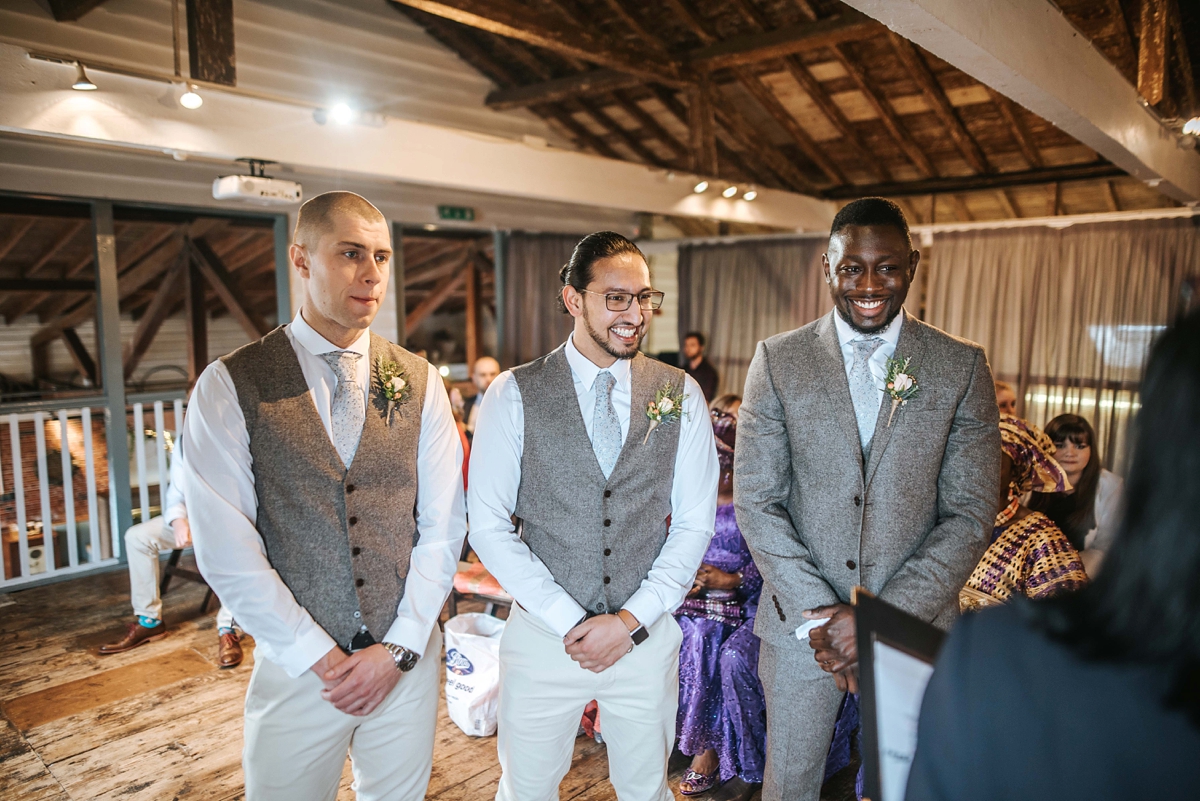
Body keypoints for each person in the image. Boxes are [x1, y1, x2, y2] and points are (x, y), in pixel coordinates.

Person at [183, 191, 466, 801]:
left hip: (405, 659)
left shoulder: (420, 381)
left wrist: (401, 644)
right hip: (298, 669)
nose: (371, 274)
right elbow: (225, 546)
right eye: (350, 253)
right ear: (302, 259)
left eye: (383, 257)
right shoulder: (231, 384)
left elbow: (443, 525)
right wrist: (316, 653)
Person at [735, 197, 1000, 801]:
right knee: (791, 786)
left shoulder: (960, 366)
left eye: (887, 267)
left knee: (912, 786)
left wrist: (877, 619)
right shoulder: (778, 360)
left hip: (917, 626)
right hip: (803, 632)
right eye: (852, 267)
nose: (869, 284)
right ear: (827, 265)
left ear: (912, 265)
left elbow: (969, 513)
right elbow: (757, 500)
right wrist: (829, 617)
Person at [906, 309, 1200, 801]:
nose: (969, 471)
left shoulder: (1038, 541)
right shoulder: (940, 527)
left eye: (987, 462)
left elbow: (1068, 628)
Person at [468, 231, 718, 801]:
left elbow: (693, 522)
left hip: (646, 639)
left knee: (646, 789)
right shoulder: (512, 394)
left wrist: (631, 620)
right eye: (616, 298)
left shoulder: (679, 394)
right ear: (573, 299)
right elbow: (487, 523)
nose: (635, 315)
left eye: (643, 298)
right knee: (525, 790)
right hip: (540, 638)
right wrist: (567, 619)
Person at [675, 405, 765, 799]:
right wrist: (689, 575)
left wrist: (733, 579)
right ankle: (677, 739)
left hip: (741, 601)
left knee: (703, 636)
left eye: (721, 460)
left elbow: (767, 558)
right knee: (672, 631)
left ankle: (708, 751)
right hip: (696, 595)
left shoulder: (753, 501)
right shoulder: (695, 494)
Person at [99, 440, 242, 668]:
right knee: (138, 537)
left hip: (233, 521)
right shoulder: (187, 440)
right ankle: (149, 621)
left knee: (243, 549)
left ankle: (228, 628)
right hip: (195, 519)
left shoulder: (237, 434)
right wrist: (177, 520)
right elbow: (177, 490)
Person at [959, 416, 1088, 611]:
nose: (980, 470)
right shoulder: (950, 521)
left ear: (1015, 472)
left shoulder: (1042, 538)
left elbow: (1063, 617)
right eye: (974, 459)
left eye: (994, 462)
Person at [1029, 414, 1124, 576]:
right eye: (1060, 445)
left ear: (1091, 449)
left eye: (1080, 446)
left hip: (1084, 577)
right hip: (1031, 575)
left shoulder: (1110, 485)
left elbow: (1106, 546)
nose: (1070, 453)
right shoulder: (1030, 481)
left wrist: (1066, 575)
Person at [462, 356, 501, 440]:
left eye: (493, 374)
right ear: (474, 378)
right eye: (482, 375)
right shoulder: (465, 405)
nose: (488, 379)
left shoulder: (510, 405)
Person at [682, 331, 719, 403]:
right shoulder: (683, 369)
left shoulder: (709, 372)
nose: (688, 348)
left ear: (701, 347)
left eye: (692, 345)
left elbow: (706, 398)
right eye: (686, 345)